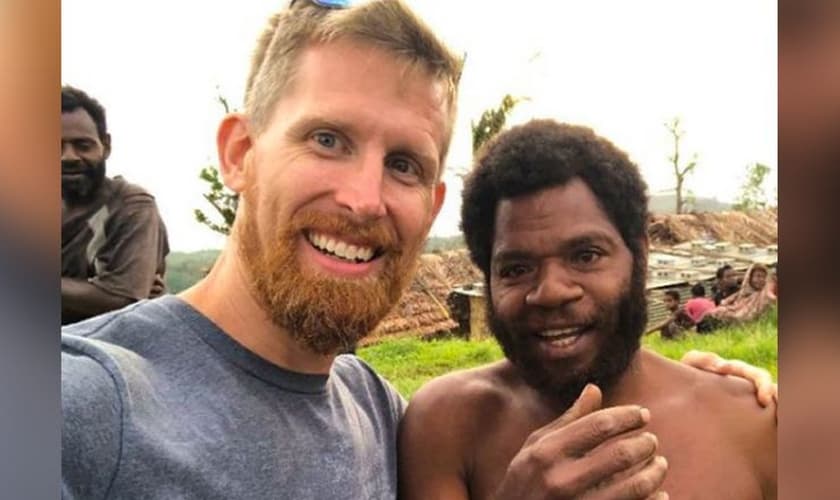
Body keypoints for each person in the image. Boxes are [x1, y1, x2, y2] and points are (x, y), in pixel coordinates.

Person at [62, 3, 774, 499]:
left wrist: (723, 390)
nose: (365, 199)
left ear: (430, 204)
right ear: (242, 152)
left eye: (404, 163)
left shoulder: (377, 414)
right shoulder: (88, 404)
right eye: (328, 139)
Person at [398, 120, 776, 499]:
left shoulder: (752, 424)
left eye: (586, 255)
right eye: (516, 269)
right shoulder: (445, 427)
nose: (550, 292)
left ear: (640, 255)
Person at [61, 86, 169, 324]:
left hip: (106, 351)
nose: (68, 157)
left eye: (83, 145)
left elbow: (124, 298)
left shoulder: (131, 206)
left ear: (105, 146)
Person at [707, 263, 777, 325]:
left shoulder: (763, 294)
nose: (761, 279)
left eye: (763, 277)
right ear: (749, 278)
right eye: (758, 276)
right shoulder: (740, 294)